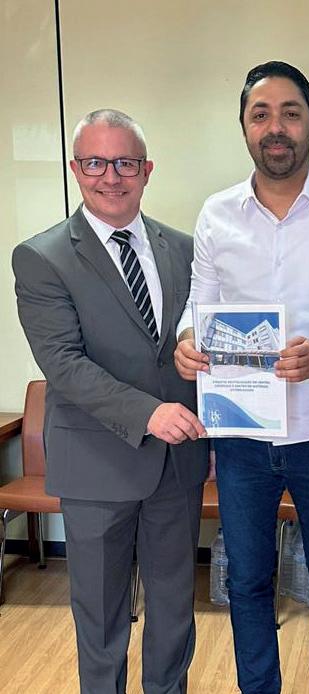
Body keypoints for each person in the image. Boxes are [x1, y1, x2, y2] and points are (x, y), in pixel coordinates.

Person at [174, 61, 309, 694]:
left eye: (290, 113)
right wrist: (187, 341)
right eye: (260, 114)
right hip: (240, 433)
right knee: (246, 581)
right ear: (243, 126)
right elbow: (198, 305)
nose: (276, 127)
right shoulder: (217, 214)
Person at [12, 109, 209, 694]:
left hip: (176, 463)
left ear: (147, 170)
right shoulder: (42, 257)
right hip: (96, 464)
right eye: (95, 162)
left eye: (125, 162)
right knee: (100, 617)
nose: (111, 176)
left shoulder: (186, 249)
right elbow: (63, 364)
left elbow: (197, 338)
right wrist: (147, 413)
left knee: (174, 608)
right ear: (76, 170)